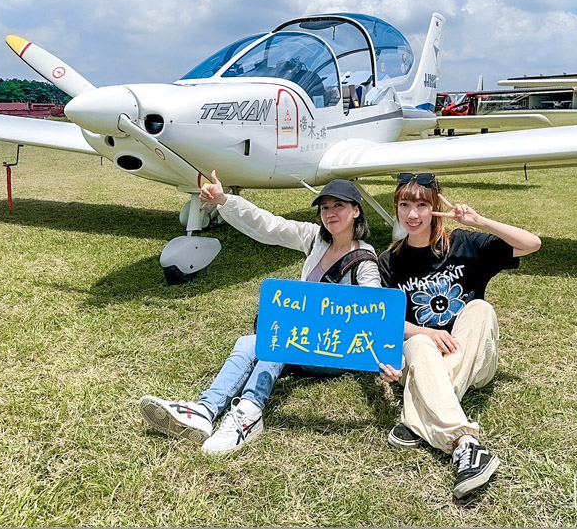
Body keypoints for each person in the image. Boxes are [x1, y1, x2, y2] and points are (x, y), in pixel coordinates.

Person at [140, 171, 380, 455]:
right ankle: (204, 410)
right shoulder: (316, 239)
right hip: (300, 337)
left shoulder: (365, 260)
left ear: (356, 210)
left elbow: (374, 313)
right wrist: (224, 200)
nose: (330, 213)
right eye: (324, 207)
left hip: (332, 350)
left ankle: (250, 413)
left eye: (338, 205)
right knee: (248, 342)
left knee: (278, 342)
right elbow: (270, 225)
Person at [377, 172, 541, 498]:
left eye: (422, 205)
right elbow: (387, 319)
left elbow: (532, 244)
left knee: (480, 310)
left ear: (436, 207)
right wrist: (424, 330)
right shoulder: (389, 261)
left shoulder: (464, 243)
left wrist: (481, 221)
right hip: (424, 360)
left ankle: (419, 416)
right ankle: (465, 444)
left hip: (473, 360)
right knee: (419, 341)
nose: (412, 214)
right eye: (405, 205)